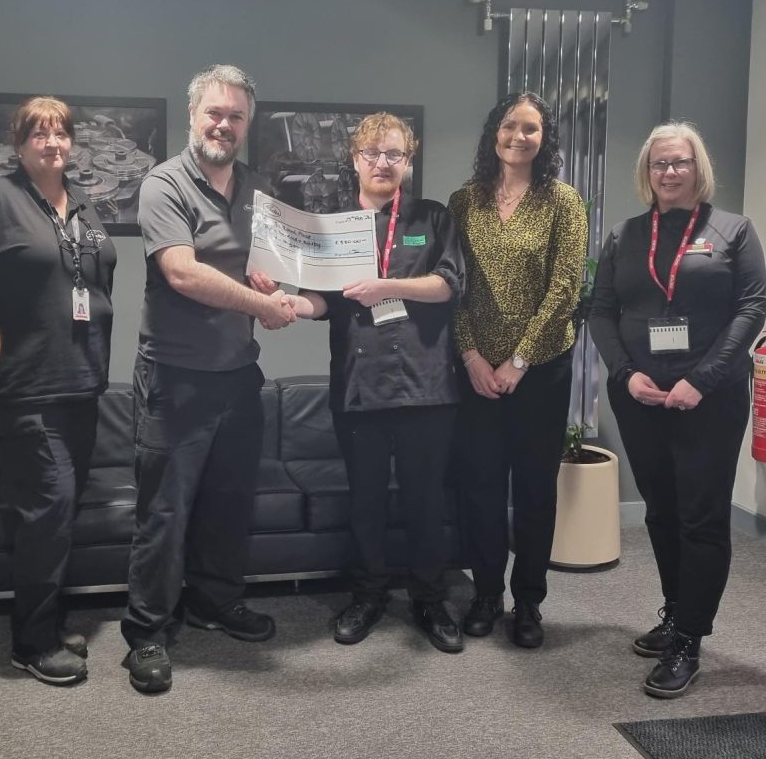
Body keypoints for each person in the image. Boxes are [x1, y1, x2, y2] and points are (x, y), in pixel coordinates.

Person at [121, 64, 295, 694]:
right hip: (174, 377)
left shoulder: (256, 186)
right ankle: (146, 630)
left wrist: (270, 286)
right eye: (214, 113)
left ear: (247, 124)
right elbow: (183, 273)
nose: (224, 124)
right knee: (164, 511)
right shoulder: (164, 184)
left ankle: (214, 603)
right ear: (192, 115)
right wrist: (261, 307)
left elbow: (264, 266)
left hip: (236, 376)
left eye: (236, 116)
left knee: (228, 501)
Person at [263, 113, 466, 650]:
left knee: (425, 500)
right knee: (367, 500)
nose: (382, 163)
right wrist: (285, 302)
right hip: (358, 385)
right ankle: (369, 595)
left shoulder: (433, 216)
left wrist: (387, 285)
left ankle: (429, 599)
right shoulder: (331, 223)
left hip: (427, 385)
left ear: (408, 161)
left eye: (394, 154)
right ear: (355, 159)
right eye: (372, 153)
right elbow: (321, 302)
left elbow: (448, 285)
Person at [589, 122, 766, 698]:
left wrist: (703, 379)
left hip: (707, 400)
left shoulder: (733, 231)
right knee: (662, 512)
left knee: (701, 517)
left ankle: (691, 638)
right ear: (647, 172)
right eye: (659, 164)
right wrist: (627, 373)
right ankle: (674, 614)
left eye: (680, 163)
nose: (669, 172)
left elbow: (753, 308)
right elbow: (601, 311)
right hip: (640, 397)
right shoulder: (625, 234)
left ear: (698, 168)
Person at [0, 96, 116, 686]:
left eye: (61, 133)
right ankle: (32, 642)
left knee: (59, 513)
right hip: (24, 389)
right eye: (39, 134)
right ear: (18, 144)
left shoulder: (85, 205)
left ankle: (42, 616)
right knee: (46, 510)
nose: (53, 143)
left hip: (83, 384)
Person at [448, 92, 588, 649]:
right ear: (494, 133)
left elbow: (564, 290)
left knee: (534, 490)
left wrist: (519, 360)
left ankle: (528, 601)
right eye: (511, 126)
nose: (520, 136)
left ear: (544, 138)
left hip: (542, 370)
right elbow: (452, 286)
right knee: (480, 487)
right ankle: (486, 593)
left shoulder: (563, 201)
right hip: (477, 371)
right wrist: (472, 356)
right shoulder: (464, 202)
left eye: (531, 128)